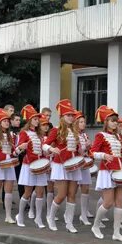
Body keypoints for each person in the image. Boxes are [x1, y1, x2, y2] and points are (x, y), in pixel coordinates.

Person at [90, 106, 122, 242]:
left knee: (120, 201)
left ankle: (116, 232)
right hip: (107, 171)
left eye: (116, 121)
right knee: (108, 202)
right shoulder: (100, 135)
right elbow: (92, 152)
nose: (115, 123)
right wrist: (104, 155)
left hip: (119, 171)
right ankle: (95, 226)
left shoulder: (119, 136)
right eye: (112, 121)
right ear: (106, 121)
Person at [43, 99, 80, 233]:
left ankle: (69, 222)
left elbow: (77, 148)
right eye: (68, 115)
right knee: (62, 194)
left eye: (72, 115)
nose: (71, 117)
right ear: (62, 117)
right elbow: (45, 144)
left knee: (72, 194)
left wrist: (82, 150)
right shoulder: (55, 130)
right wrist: (52, 149)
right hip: (61, 165)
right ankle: (51, 217)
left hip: (73, 165)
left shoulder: (75, 131)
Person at [14, 105, 48, 228]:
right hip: (29, 166)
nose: (37, 121)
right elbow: (16, 151)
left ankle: (38, 218)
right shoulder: (24, 133)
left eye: (38, 119)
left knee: (40, 193)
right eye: (34, 119)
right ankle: (20, 215)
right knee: (27, 192)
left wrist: (48, 153)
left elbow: (43, 150)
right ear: (29, 120)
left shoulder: (40, 135)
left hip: (40, 166)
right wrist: (20, 148)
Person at [74, 112, 93, 226]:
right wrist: (85, 146)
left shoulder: (85, 135)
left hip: (84, 164)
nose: (83, 124)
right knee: (73, 190)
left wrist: (89, 148)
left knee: (85, 189)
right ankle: (68, 213)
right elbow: (77, 151)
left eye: (84, 122)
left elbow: (86, 151)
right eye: (81, 122)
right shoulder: (73, 135)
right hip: (76, 164)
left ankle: (84, 214)